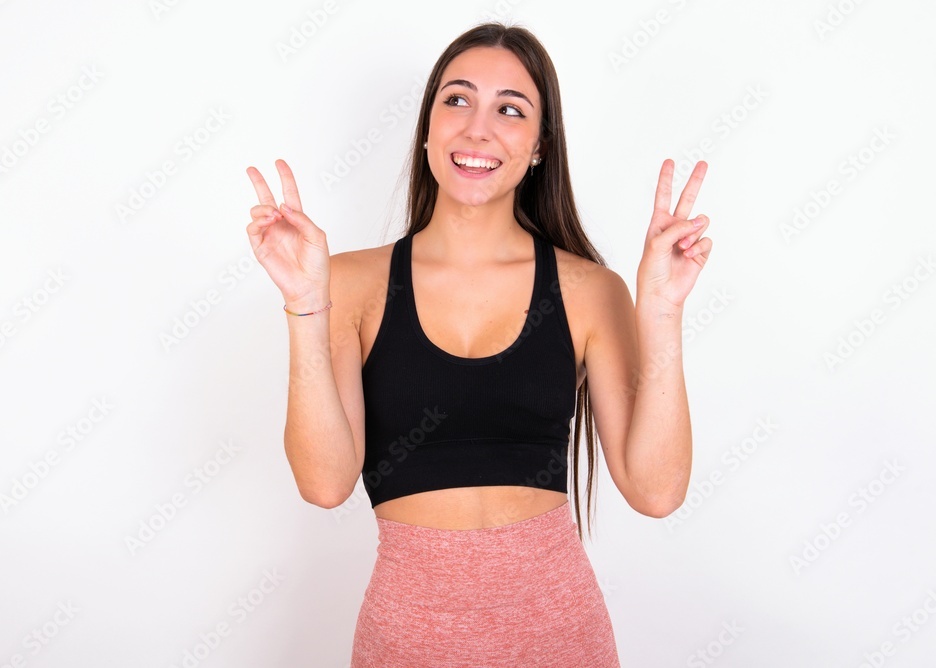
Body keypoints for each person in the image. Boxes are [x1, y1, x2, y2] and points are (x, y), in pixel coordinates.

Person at [245, 21, 711, 668]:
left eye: (510, 110)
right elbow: (325, 482)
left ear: (540, 146)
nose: (477, 128)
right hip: (406, 643)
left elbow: (655, 491)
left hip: (563, 638)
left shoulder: (587, 290)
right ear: (429, 126)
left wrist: (661, 310)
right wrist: (303, 303)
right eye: (457, 99)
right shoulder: (347, 283)